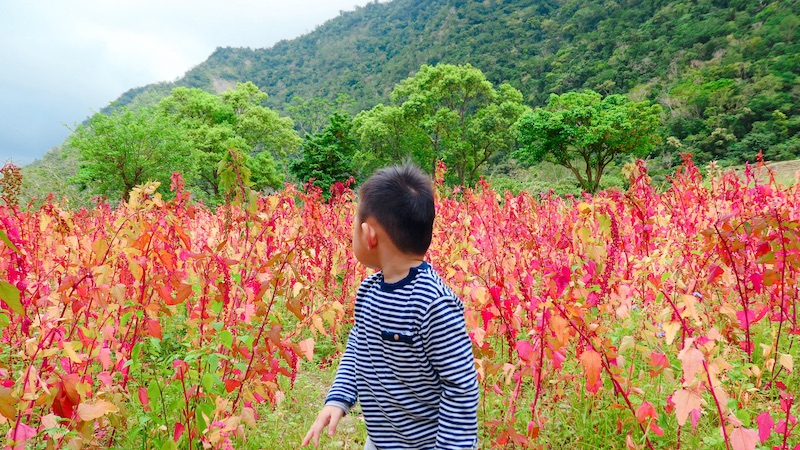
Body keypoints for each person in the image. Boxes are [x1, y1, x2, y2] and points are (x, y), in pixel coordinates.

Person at [302, 164, 479, 450]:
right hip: (382, 440)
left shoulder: (434, 304)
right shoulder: (369, 292)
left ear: (368, 235)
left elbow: (461, 387)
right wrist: (338, 399)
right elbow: (359, 346)